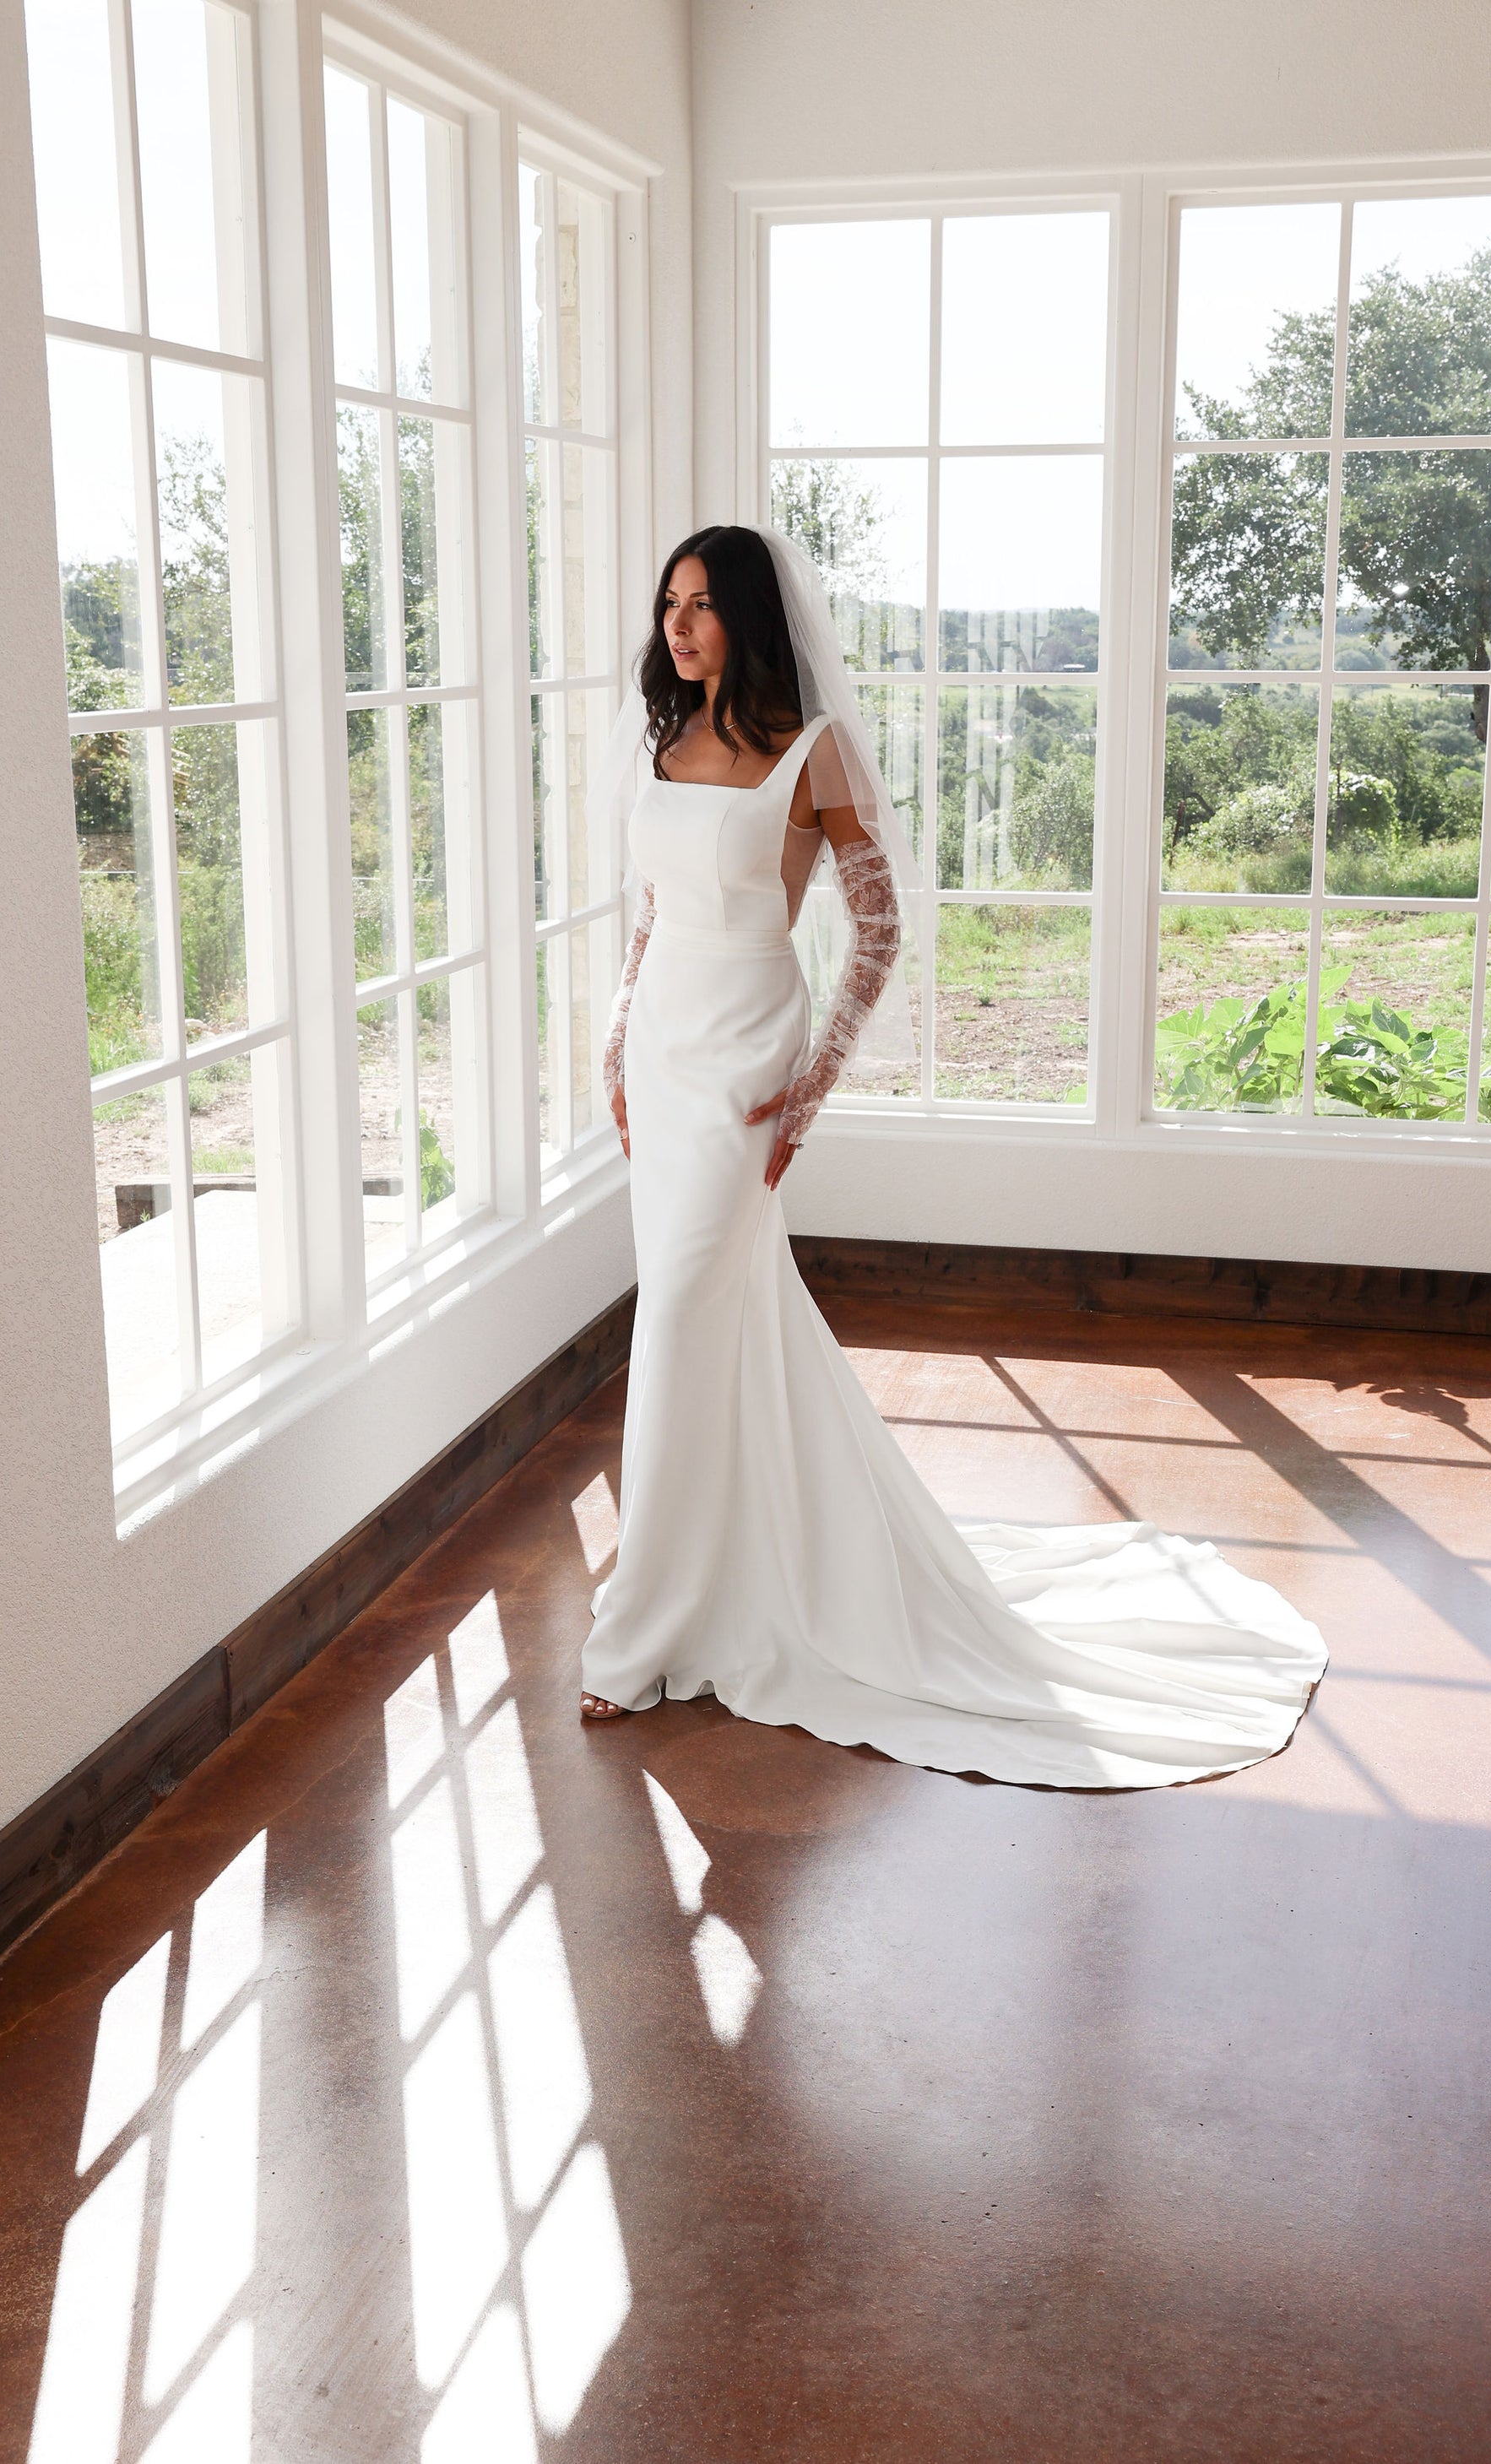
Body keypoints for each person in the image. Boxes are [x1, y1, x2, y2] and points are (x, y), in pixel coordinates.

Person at [578, 523, 1326, 1788]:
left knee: (677, 1320)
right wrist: (611, 1045)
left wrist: (807, 1090)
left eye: (703, 605)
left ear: (751, 617)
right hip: (659, 1051)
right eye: (669, 605)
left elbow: (876, 927)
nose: (679, 625)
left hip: (751, 1057)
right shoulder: (658, 741)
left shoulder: (815, 753)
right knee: (715, 1319)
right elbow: (650, 919)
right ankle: (719, 1568)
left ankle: (637, 1629)